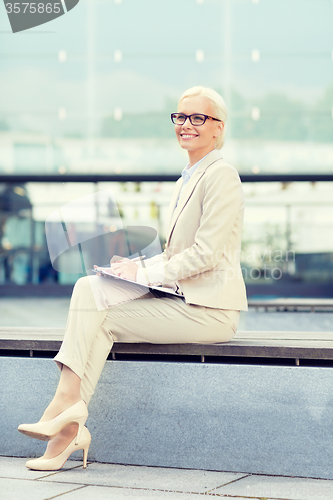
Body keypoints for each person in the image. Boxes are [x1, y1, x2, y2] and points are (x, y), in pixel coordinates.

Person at [18, 86, 248, 470]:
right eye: (180, 116)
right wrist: (136, 266)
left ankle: (64, 413)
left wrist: (144, 272)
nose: (185, 124)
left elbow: (206, 255)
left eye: (197, 118)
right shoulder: (189, 177)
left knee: (98, 314)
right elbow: (177, 255)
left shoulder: (221, 175)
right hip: (180, 298)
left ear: (218, 129)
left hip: (210, 310)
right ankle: (66, 426)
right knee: (89, 288)